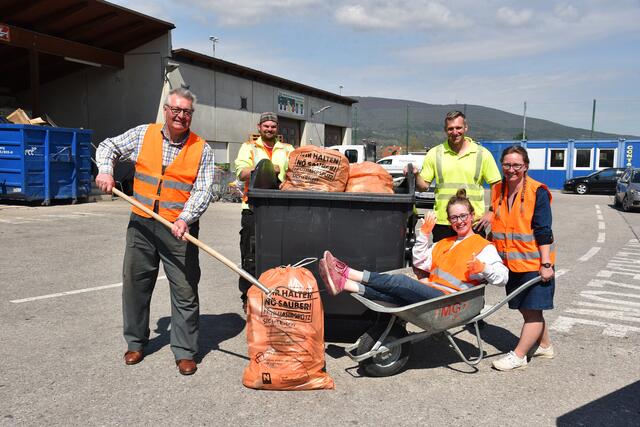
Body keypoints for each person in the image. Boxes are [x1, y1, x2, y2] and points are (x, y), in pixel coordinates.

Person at [95, 88, 215, 376]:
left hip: (178, 229)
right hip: (141, 224)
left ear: (191, 115)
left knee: (185, 291)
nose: (181, 116)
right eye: (176, 110)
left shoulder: (202, 148)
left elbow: (203, 189)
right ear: (166, 110)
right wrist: (105, 170)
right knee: (135, 285)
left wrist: (186, 218)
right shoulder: (143, 134)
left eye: (186, 112)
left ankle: (185, 352)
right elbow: (108, 146)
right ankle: (135, 343)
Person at [318, 190, 508, 306]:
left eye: (463, 216)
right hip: (431, 293)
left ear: (472, 215)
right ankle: (344, 284)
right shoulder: (445, 243)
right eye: (454, 218)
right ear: (449, 220)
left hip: (450, 300)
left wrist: (484, 269)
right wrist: (424, 234)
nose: (459, 221)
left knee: (401, 281)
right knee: (393, 295)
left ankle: (347, 272)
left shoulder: (483, 247)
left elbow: (503, 277)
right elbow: (420, 262)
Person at [490, 145, 556, 371]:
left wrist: (546, 264)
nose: (511, 169)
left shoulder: (537, 192)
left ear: (525, 166)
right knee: (526, 309)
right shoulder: (498, 189)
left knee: (533, 311)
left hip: (534, 263)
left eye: (516, 165)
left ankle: (519, 356)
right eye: (507, 164)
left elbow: (543, 230)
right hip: (509, 263)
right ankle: (545, 345)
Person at [234, 112, 294, 309]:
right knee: (250, 254)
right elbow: (241, 173)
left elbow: (295, 174)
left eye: (273, 126)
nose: (269, 129)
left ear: (277, 129)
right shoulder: (248, 147)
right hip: (253, 208)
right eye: (266, 126)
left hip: (280, 207)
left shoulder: (288, 149)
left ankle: (277, 293)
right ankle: (248, 297)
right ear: (259, 127)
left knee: (279, 253)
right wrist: (264, 168)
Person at [413, 111, 502, 242]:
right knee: (443, 262)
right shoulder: (434, 153)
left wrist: (492, 211)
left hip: (473, 222)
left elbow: (497, 185)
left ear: (466, 128)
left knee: (472, 261)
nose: (455, 132)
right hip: (443, 222)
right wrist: (415, 174)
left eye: (458, 127)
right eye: (450, 129)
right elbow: (422, 187)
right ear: (445, 130)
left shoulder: (482, 154)